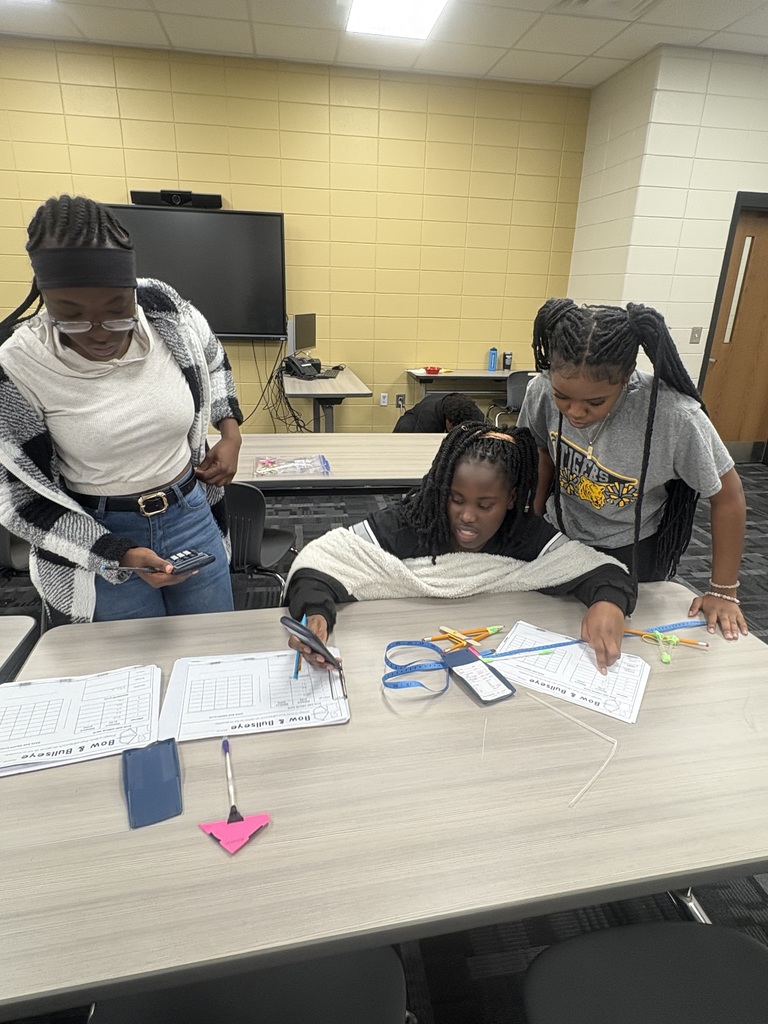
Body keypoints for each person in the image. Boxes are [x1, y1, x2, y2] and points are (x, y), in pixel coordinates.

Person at [0, 194, 243, 625]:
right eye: (71, 316)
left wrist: (229, 430)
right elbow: (22, 504)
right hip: (96, 534)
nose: (98, 333)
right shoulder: (18, 366)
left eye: (117, 313)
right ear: (44, 298)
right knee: (128, 672)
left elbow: (211, 353)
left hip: (190, 511)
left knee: (211, 646)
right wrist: (117, 554)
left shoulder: (160, 307)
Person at [286, 423, 637, 674]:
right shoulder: (411, 522)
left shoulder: (523, 533)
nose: (467, 517)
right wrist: (315, 613)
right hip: (405, 657)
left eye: (485, 506)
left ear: (511, 500)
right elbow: (322, 563)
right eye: (455, 499)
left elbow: (599, 570)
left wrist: (608, 602)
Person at [517, 298, 747, 640]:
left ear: (625, 379)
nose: (575, 413)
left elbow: (728, 496)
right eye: (562, 396)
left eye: (595, 402)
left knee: (629, 645)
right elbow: (541, 454)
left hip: (634, 549)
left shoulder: (675, 416)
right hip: (561, 537)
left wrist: (723, 591)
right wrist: (530, 524)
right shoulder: (540, 390)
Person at [393, 391, 484, 433]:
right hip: (410, 427)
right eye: (452, 429)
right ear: (447, 420)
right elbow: (423, 445)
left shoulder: (476, 415)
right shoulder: (429, 416)